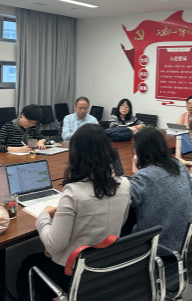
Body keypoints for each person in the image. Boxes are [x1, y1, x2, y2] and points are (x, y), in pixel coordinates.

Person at [16, 124, 131, 301]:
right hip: (103, 268)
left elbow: (53, 246)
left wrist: (44, 216)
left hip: (72, 273)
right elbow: (118, 224)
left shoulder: (73, 192)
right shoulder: (125, 184)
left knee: (28, 264)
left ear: (76, 154)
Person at [130, 127, 192, 255]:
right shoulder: (178, 165)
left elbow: (127, 203)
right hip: (187, 241)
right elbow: (191, 188)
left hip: (158, 247)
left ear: (139, 150)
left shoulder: (144, 176)